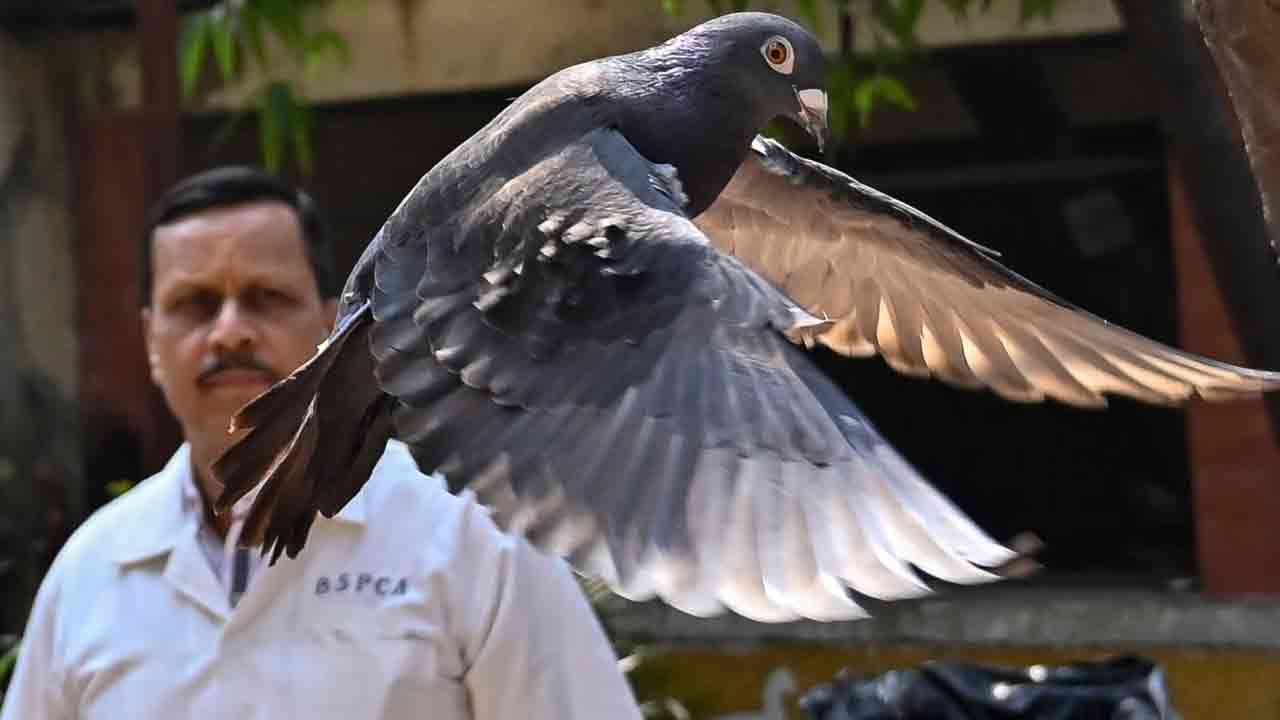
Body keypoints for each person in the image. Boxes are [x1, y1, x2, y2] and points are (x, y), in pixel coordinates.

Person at [0, 167, 643, 719]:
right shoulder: (90, 574)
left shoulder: (471, 534)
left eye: (265, 298)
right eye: (195, 304)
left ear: (332, 325)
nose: (228, 332)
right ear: (150, 342)